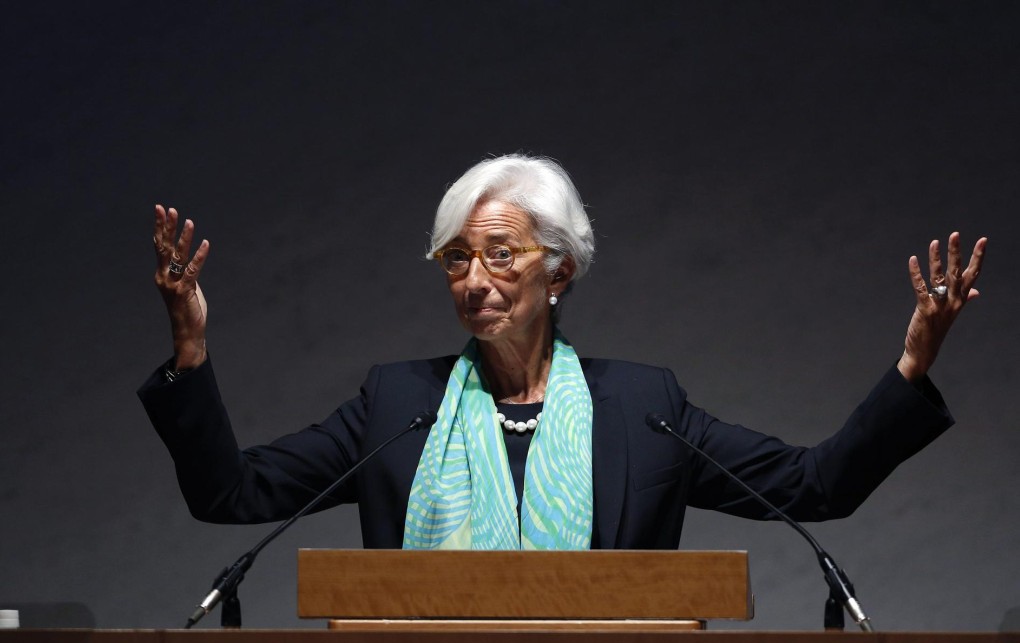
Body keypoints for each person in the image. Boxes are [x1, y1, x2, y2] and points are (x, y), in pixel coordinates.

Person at [140, 154, 987, 550]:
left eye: (501, 254)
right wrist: (190, 346)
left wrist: (912, 365)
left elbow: (816, 486)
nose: (474, 279)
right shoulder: (398, 408)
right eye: (456, 258)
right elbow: (230, 494)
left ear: (561, 272)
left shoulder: (647, 411)